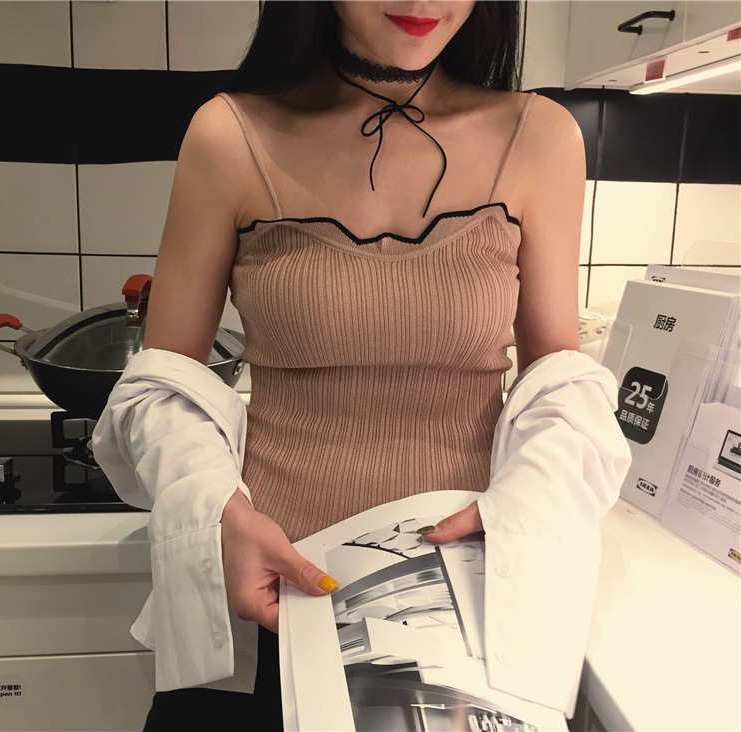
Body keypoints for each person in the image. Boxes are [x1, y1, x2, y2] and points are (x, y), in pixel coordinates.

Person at [93, 2, 630, 730]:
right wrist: (217, 512)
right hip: (271, 595)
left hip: (460, 619)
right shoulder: (230, 134)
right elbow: (161, 386)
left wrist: (525, 507)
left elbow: (558, 387)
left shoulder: (540, 137)